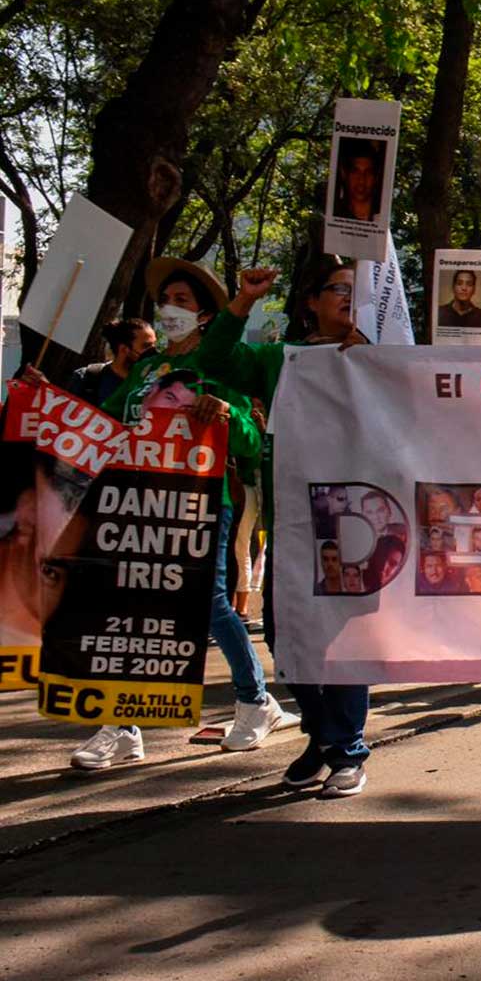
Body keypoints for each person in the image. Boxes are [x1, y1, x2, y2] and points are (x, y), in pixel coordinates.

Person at [62, 259, 295, 773]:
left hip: (198, 504)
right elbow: (102, 426)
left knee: (207, 603)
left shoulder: (223, 367)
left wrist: (228, 414)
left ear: (206, 315)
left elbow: (251, 443)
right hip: (135, 506)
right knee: (123, 611)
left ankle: (256, 700)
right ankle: (121, 726)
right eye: (165, 300)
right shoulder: (145, 371)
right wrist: (40, 399)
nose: (170, 309)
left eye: (182, 301)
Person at [193, 260, 380, 797]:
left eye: (357, 291)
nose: (349, 297)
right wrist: (243, 302)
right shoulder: (282, 360)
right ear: (312, 303)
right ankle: (323, 737)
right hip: (294, 524)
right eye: (338, 289)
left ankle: (347, 751)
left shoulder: (380, 361)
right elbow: (215, 358)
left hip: (356, 524)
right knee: (286, 638)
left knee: (341, 644)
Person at [66, 318, 155, 408]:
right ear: (124, 349)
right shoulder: (85, 378)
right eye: (146, 347)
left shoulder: (154, 390)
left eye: (154, 345)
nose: (154, 353)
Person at [333, 138, 383, 222]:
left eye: (368, 173)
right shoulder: (334, 215)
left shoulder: (382, 217)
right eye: (355, 172)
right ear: (344, 174)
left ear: (376, 177)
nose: (361, 181)